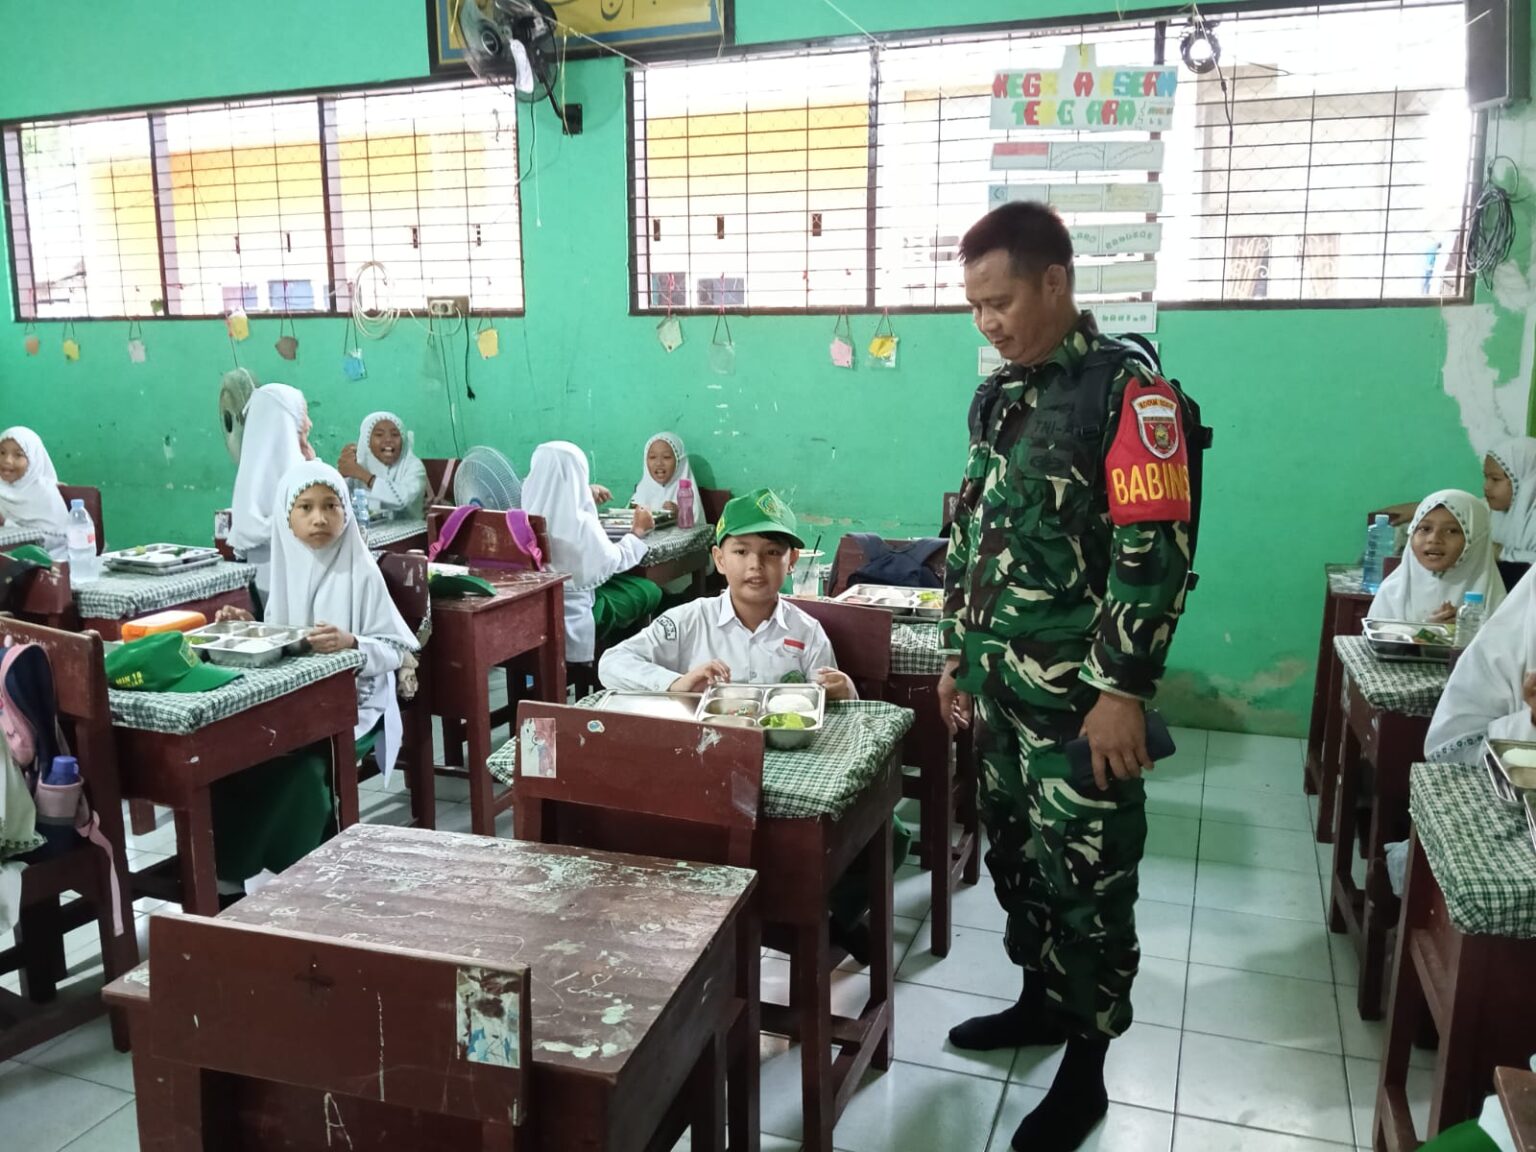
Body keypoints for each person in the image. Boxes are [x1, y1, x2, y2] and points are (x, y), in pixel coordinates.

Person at [938, 201, 1193, 1152]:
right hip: (1001, 696)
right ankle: (1039, 1003)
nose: (987, 321)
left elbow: (1154, 551)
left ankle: (1086, 1065)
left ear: (1057, 282)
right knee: (1018, 862)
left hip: (1083, 709)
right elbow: (971, 535)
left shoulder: (1128, 392)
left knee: (1090, 882)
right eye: (973, 306)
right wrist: (960, 658)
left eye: (1000, 300)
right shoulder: (1001, 396)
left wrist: (1124, 690)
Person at [212, 460, 419, 888]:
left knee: (302, 770)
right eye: (304, 507)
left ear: (346, 511)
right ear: (286, 518)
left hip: (354, 706)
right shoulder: (285, 569)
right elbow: (285, 640)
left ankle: (296, 877)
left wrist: (353, 643)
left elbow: (398, 649)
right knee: (232, 760)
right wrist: (247, 624)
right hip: (294, 704)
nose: (319, 518)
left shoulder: (360, 572)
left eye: (330, 506)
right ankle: (232, 877)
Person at [600, 487, 854, 698]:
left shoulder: (807, 632)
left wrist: (846, 691)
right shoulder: (689, 621)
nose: (756, 564)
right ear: (719, 560)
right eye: (741, 552)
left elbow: (828, 703)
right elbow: (611, 663)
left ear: (792, 561)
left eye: (773, 552)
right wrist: (676, 683)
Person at [521, 441, 661, 664]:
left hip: (536, 611)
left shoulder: (522, 515)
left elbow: (557, 494)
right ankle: (619, 663)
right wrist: (638, 532)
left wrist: (583, 493)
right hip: (574, 614)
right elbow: (613, 561)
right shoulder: (581, 524)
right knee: (650, 590)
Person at [229, 383, 314, 600]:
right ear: (286, 421)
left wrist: (313, 464)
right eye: (304, 415)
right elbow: (249, 529)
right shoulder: (262, 474)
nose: (309, 424)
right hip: (273, 584)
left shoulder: (300, 465)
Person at [1368, 490, 1504, 623]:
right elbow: (1377, 641)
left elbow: (1503, 643)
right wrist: (1427, 630)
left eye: (1452, 531)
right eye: (1425, 528)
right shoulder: (1392, 593)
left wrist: (1465, 629)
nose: (1434, 539)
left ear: (1476, 540)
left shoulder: (1495, 600)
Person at [337, 411, 427, 522]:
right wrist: (342, 475)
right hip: (369, 532)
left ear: (403, 440)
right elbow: (342, 501)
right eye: (379, 435)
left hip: (410, 533)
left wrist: (363, 475)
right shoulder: (361, 463)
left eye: (395, 435)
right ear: (367, 441)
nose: (388, 440)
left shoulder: (413, 466)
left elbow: (401, 501)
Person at [0, 427, 69, 560]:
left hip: (47, 564)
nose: (7, 460)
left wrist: (6, 522)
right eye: (2, 453)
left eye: (18, 455)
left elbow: (56, 539)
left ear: (33, 460)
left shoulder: (44, 492)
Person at [1485, 439, 1536, 589]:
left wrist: (1502, 553)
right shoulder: (1491, 511)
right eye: (1486, 477)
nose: (1486, 486)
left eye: (1495, 479)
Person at [631, 432, 701, 523]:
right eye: (652, 457)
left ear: (680, 462)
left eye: (666, 457)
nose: (659, 463)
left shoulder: (688, 494)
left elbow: (697, 528)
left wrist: (680, 514)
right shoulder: (641, 491)